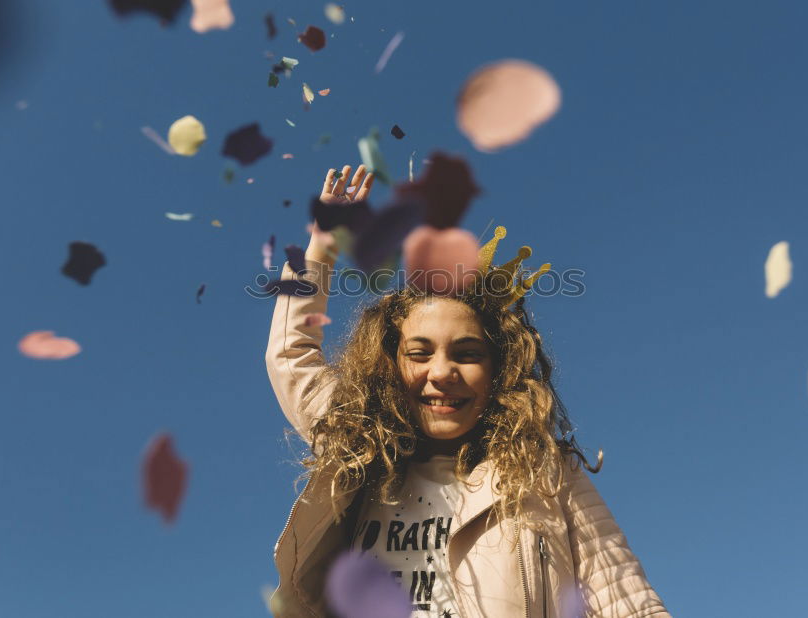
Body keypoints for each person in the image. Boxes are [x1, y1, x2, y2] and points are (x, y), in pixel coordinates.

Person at [266, 164, 671, 617]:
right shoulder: (359, 445)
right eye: (419, 353)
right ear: (388, 367)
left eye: (467, 353)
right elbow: (291, 352)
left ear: (500, 370)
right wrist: (321, 247)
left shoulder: (546, 475)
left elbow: (625, 599)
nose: (442, 372)